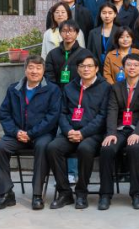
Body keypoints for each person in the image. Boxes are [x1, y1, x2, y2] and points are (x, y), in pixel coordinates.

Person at [0, 55, 61, 211]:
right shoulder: (14, 89)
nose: (34, 71)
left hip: (42, 134)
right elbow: (5, 113)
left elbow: (52, 117)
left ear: (43, 70)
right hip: (18, 134)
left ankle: (37, 195)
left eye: (38, 68)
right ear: (25, 70)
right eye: (31, 67)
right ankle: (6, 194)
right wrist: (16, 132)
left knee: (43, 146)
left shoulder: (52, 89)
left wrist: (31, 133)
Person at [47, 55, 110, 210]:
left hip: (93, 134)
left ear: (96, 69)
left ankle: (81, 193)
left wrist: (83, 133)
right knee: (53, 148)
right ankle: (64, 192)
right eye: (82, 66)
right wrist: (68, 130)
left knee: (85, 148)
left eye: (89, 66)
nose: (86, 69)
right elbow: (62, 113)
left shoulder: (105, 88)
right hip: (70, 132)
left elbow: (103, 116)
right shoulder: (69, 87)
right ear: (77, 69)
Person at [97, 54, 139, 210]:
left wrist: (138, 132)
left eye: (136, 65)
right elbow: (112, 110)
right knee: (107, 148)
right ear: (123, 67)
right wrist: (111, 133)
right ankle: (105, 194)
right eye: (129, 64)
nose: (132, 68)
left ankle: (136, 194)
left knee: (134, 148)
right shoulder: (116, 87)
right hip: (120, 129)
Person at [43, 20, 94, 89]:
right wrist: (55, 90)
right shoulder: (52, 54)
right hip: (58, 92)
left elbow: (90, 74)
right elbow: (49, 75)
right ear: (60, 33)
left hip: (78, 91)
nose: (67, 34)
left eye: (71, 31)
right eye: (64, 31)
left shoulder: (85, 54)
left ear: (77, 33)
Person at [87, 3, 119, 68]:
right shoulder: (93, 33)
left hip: (114, 68)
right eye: (104, 13)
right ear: (100, 14)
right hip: (96, 68)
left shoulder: (119, 32)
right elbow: (89, 52)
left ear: (115, 14)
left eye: (110, 13)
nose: (107, 16)